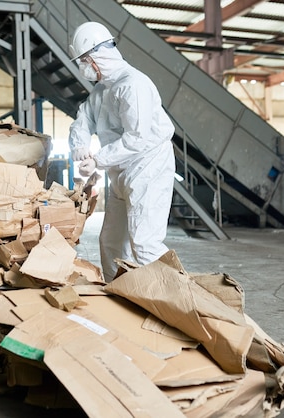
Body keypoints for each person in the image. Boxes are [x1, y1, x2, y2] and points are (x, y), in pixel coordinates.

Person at [68, 21, 176, 281]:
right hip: (120, 171)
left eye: (83, 60)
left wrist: (97, 161)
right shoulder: (103, 90)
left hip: (148, 167)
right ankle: (117, 293)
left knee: (145, 243)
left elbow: (137, 138)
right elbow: (83, 119)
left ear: (96, 57)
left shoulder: (134, 85)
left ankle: (177, 300)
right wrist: (80, 146)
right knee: (112, 241)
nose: (82, 67)